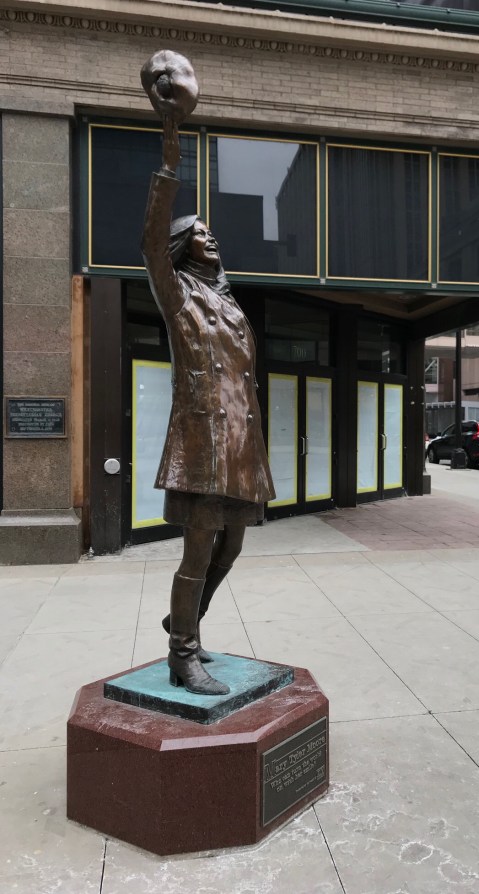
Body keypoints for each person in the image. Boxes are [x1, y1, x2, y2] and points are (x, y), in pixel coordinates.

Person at [142, 117, 275, 695]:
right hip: (204, 439)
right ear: (179, 248)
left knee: (235, 542)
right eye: (197, 232)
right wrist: (170, 159)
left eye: (211, 231)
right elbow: (150, 242)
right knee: (200, 543)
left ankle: (184, 618)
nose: (209, 236)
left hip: (243, 444)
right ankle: (182, 651)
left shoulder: (226, 298)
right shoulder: (178, 293)